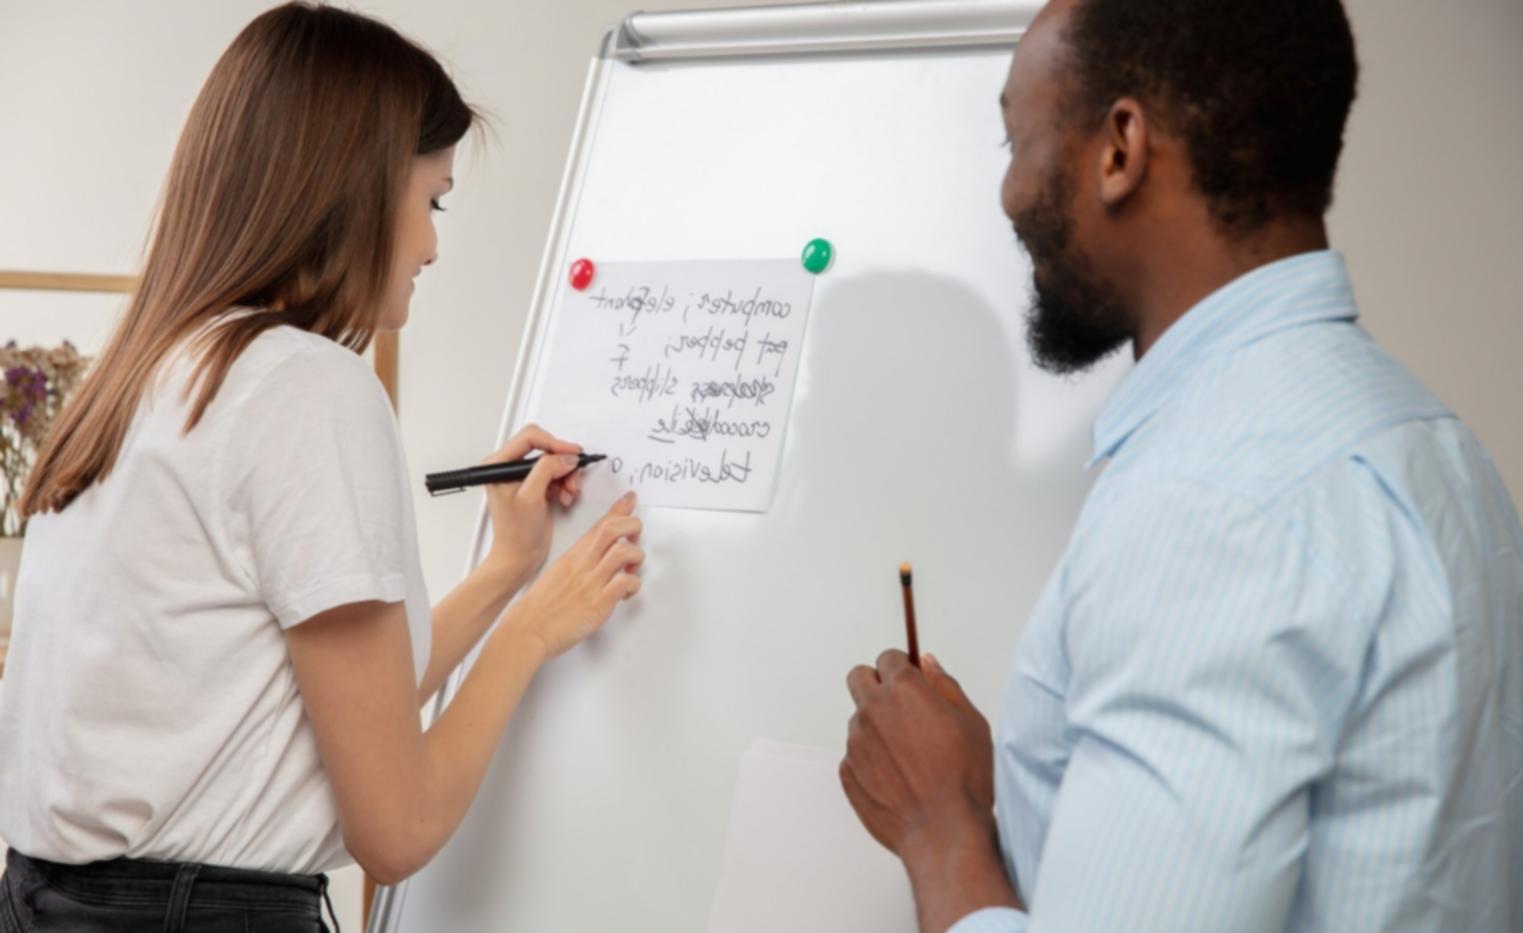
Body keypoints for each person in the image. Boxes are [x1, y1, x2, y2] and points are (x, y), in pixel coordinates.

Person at [839, 0, 1523, 930]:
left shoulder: (1208, 505)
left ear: (1120, 147)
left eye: (1016, 142)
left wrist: (939, 833)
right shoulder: (1431, 444)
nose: (1007, 196)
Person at [0, 4, 644, 931]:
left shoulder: (151, 372)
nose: (431, 245)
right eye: (431, 201)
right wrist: (531, 633)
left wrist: (507, 571)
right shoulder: (309, 386)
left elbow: (320, 719)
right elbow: (398, 823)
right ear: (349, 188)